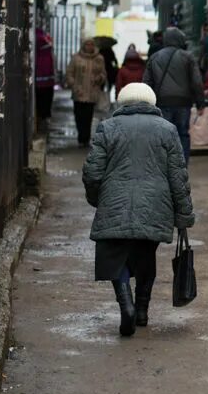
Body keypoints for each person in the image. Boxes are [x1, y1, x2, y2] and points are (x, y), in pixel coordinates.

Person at [82, 82, 194, 337]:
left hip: (114, 199)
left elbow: (92, 172)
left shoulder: (107, 127)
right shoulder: (167, 129)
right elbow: (178, 176)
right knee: (145, 256)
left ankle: (127, 305)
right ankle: (142, 310)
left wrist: (98, 198)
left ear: (122, 102)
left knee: (115, 255)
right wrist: (184, 214)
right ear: (151, 102)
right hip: (156, 203)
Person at [143, 27, 205, 160]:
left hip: (162, 103)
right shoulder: (188, 57)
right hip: (183, 103)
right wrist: (200, 103)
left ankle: (164, 165)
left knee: (163, 135)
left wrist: (148, 105)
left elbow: (147, 82)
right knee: (182, 134)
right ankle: (181, 166)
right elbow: (197, 82)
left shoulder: (155, 57)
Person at [65, 38, 107, 147]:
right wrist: (73, 84)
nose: (89, 46)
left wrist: (99, 78)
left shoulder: (99, 59)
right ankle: (81, 137)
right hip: (78, 92)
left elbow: (103, 73)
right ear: (84, 46)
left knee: (88, 117)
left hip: (92, 92)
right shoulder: (76, 58)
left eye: (91, 44)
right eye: (87, 44)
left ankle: (85, 139)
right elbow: (69, 72)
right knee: (79, 116)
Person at [35, 27, 55, 128]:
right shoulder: (44, 38)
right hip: (47, 77)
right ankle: (44, 116)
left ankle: (42, 116)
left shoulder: (38, 39)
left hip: (40, 77)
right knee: (46, 98)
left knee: (41, 99)